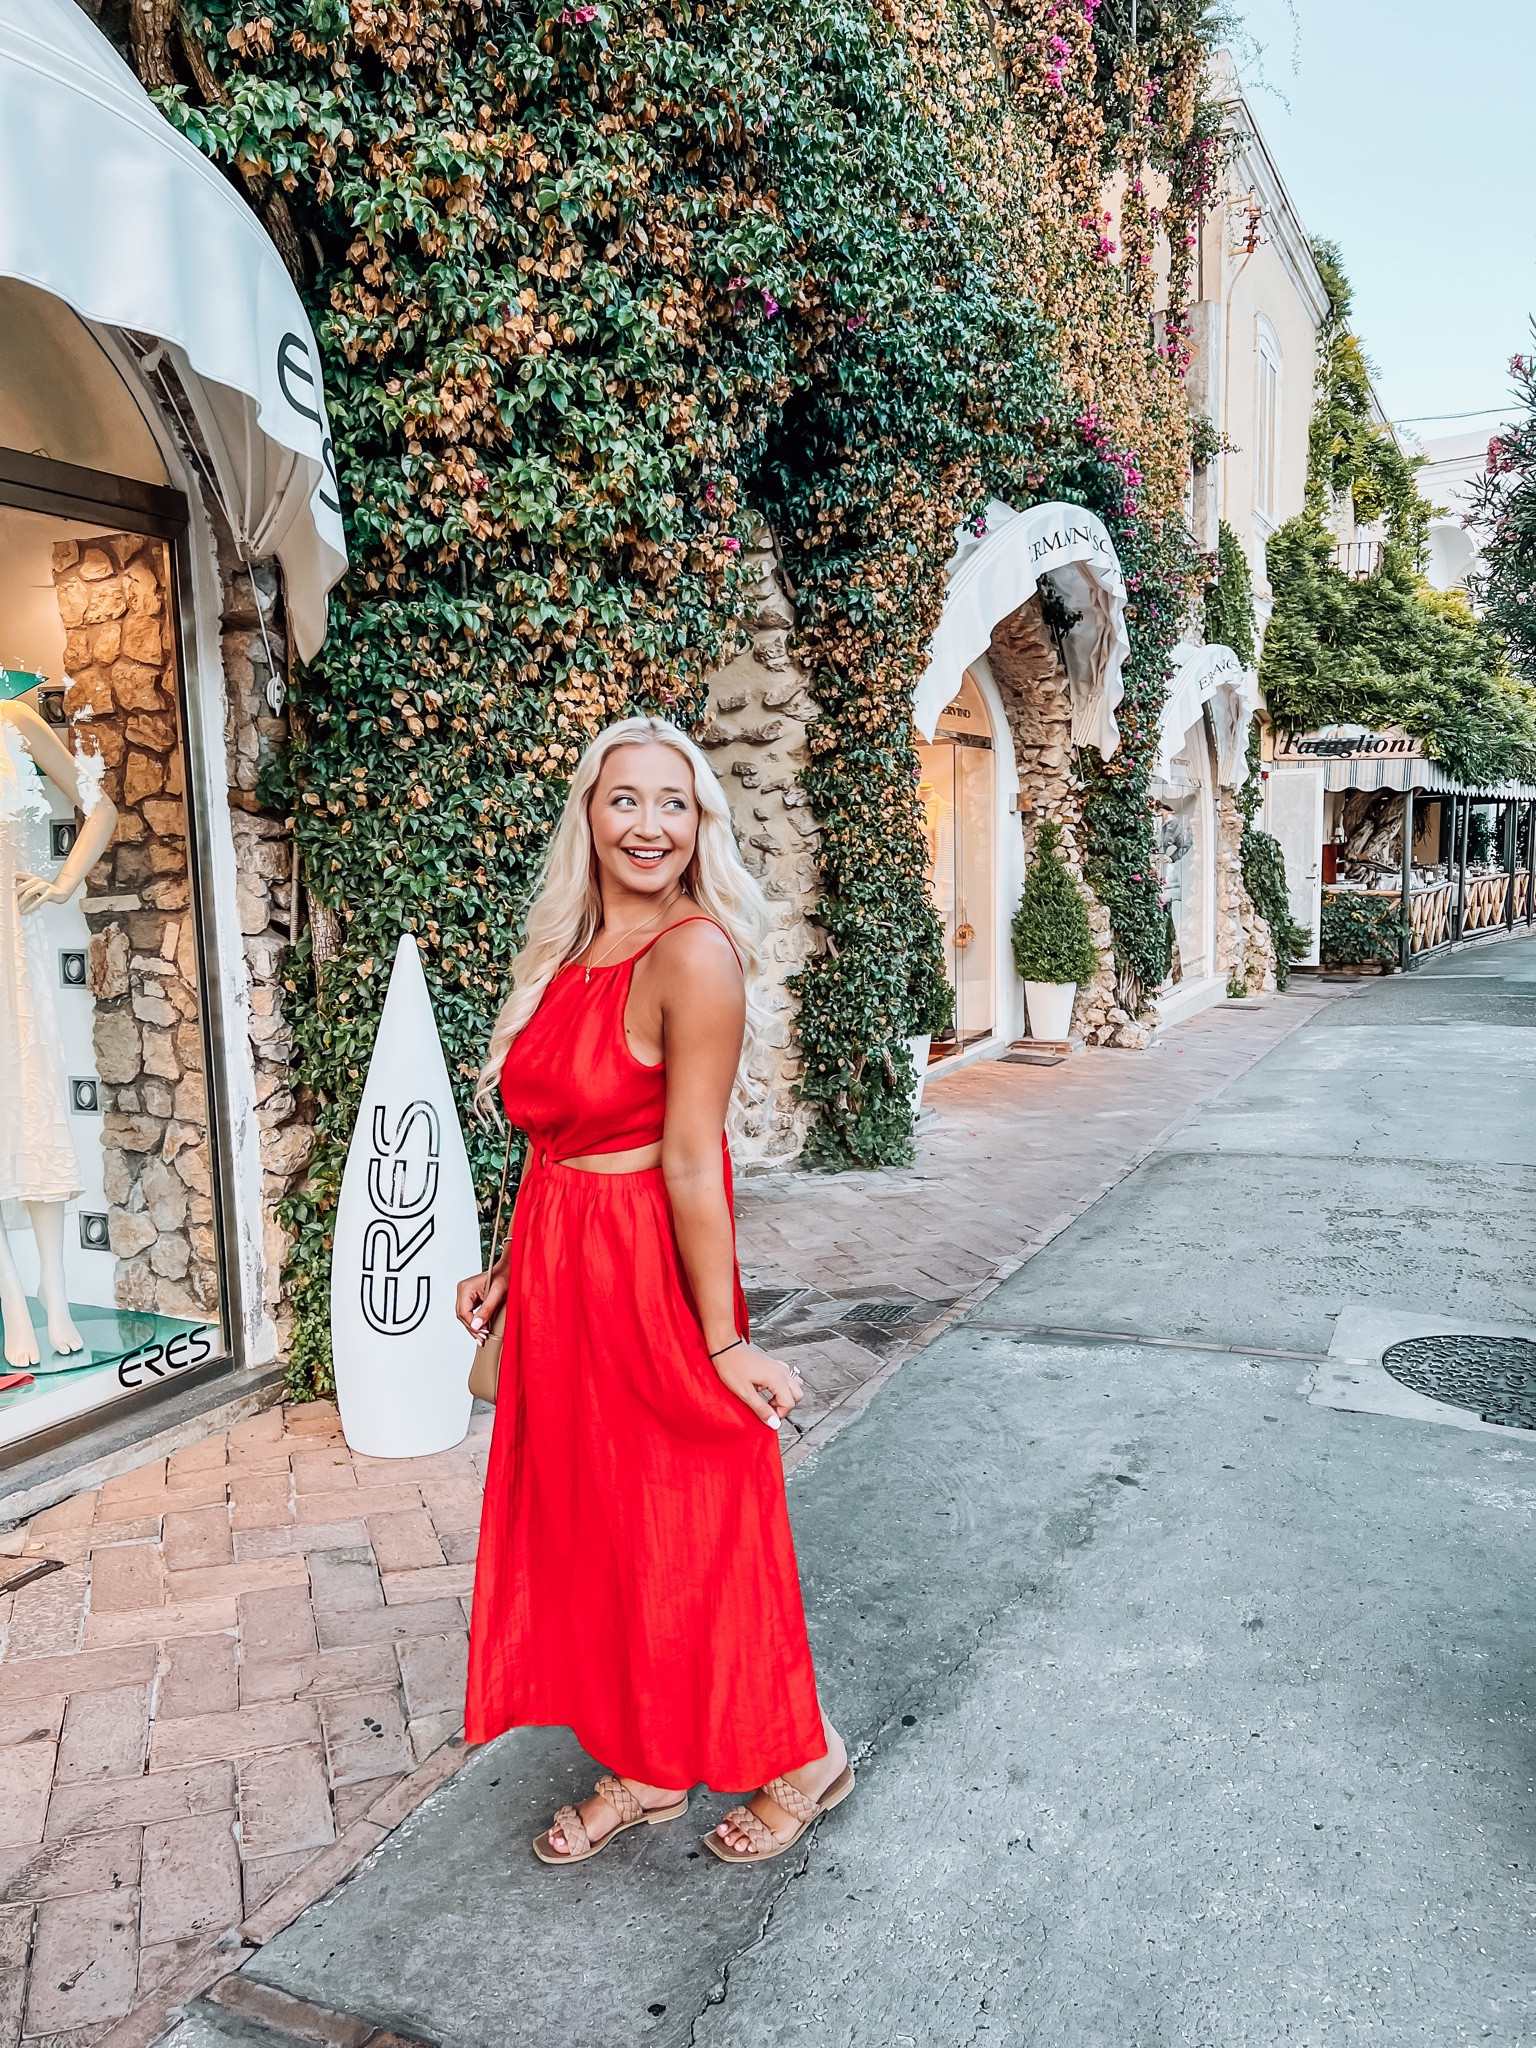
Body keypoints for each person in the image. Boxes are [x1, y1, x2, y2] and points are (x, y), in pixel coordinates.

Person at [458, 716, 852, 1867]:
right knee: (600, 1525)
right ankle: (646, 1766)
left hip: (644, 1272)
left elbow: (690, 1157)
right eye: (624, 798)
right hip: (559, 1263)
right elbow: (550, 1134)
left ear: (700, 825)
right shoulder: (569, 947)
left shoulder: (695, 953)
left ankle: (807, 1751)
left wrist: (725, 1341)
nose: (648, 823)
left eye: (673, 803)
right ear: (589, 812)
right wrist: (508, 1265)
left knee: (705, 1511)